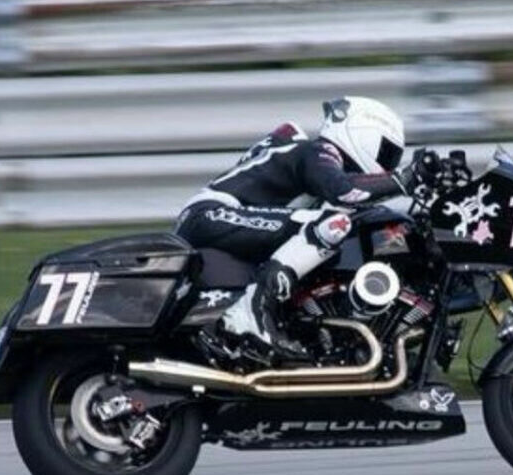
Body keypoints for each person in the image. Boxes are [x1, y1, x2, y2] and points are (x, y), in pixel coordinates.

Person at [175, 97, 415, 363]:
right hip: (210, 213)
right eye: (387, 154)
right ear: (363, 133)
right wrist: (407, 178)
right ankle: (251, 312)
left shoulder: (319, 160)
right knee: (332, 224)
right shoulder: (317, 151)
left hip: (223, 219)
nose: (389, 165)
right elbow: (346, 192)